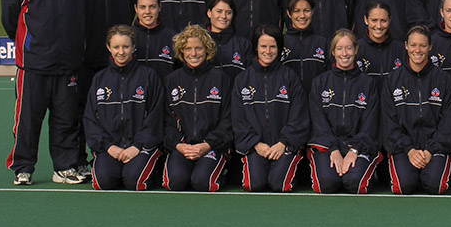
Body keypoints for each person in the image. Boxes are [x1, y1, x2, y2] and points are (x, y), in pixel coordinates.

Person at [2, 0, 86, 185]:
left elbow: (84, 12)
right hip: (34, 63)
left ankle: (64, 167)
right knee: (28, 120)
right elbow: (9, 14)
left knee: (65, 120)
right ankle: (23, 167)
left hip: (69, 62)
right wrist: (29, 43)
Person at [71, 0, 140, 176]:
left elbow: (134, 1)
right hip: (86, 54)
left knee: (120, 110)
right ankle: (78, 160)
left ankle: (115, 155)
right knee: (79, 111)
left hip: (118, 56)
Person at [84, 25, 164, 190]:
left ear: (133, 47)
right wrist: (108, 147)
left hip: (139, 146)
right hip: (111, 147)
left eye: (126, 46)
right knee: (103, 182)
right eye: (116, 47)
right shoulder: (100, 78)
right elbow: (90, 118)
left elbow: (155, 116)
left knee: (134, 181)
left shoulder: (148, 76)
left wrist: (137, 146)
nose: (121, 52)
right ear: (108, 47)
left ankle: (152, 167)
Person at [232, 25, 309, 192]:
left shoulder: (290, 77)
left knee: (279, 184)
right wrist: (255, 144)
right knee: (254, 185)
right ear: (256, 48)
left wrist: (283, 143)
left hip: (283, 145)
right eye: (263, 46)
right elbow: (238, 121)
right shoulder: (242, 79)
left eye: (272, 46)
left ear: (279, 48)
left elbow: (299, 117)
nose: (268, 51)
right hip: (257, 146)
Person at [382, 25, 451, 194]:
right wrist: (409, 150)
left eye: (422, 45)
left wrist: (430, 150)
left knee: (435, 186)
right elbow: (389, 123)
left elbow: (449, 122)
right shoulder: (392, 80)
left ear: (430, 47)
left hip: (435, 148)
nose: (418, 50)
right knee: (403, 187)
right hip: (405, 148)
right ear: (406, 46)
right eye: (413, 45)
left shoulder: (444, 79)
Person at [308, 29, 382, 194]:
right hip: (328, 146)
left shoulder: (368, 83)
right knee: (326, 184)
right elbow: (318, 121)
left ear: (356, 50)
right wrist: (333, 149)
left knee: (354, 183)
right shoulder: (319, 82)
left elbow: (370, 123)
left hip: (357, 146)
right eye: (339, 48)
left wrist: (354, 150)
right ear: (333, 52)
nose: (344, 53)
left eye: (349, 48)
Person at [163, 25, 232, 192]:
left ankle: (225, 172)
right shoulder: (171, 80)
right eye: (188, 49)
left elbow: (228, 120)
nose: (193, 54)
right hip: (182, 147)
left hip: (211, 147)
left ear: (207, 50)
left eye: (198, 48)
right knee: (176, 182)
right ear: (181, 51)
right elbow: (166, 121)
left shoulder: (220, 78)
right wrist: (179, 145)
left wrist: (207, 144)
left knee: (202, 182)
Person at [282, 0, 329, 92]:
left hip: (316, 103)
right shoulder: (281, 43)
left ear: (312, 12)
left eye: (306, 11)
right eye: (296, 11)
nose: (302, 16)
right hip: (289, 103)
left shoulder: (323, 43)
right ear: (289, 13)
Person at [355, 1, 406, 84]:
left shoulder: (401, 49)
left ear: (389, 20)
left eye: (383, 20)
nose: (378, 26)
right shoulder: (356, 49)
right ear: (366, 20)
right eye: (374, 20)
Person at [206, 0, 252, 80]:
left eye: (228, 12)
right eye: (219, 11)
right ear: (209, 13)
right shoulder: (200, 42)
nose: (223, 16)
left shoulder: (243, 44)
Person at [133, 0, 177, 80]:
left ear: (159, 7)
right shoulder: (128, 36)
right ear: (136, 9)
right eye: (142, 7)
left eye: (152, 7)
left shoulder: (172, 38)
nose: (147, 11)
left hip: (164, 91)